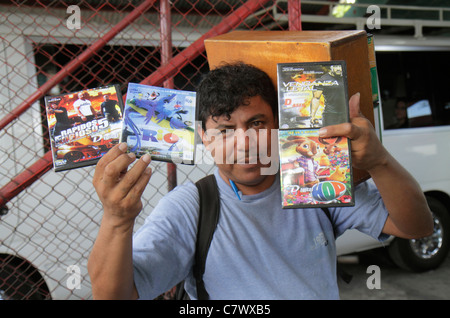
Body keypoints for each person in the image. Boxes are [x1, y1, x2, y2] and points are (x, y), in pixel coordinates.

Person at [88, 62, 433, 300]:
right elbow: (113, 294)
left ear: (279, 126)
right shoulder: (191, 208)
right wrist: (117, 221)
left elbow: (417, 227)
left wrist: (380, 162)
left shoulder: (312, 179)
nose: (244, 142)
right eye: (224, 130)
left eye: (256, 124)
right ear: (204, 138)